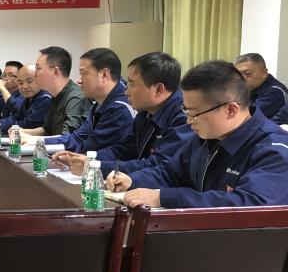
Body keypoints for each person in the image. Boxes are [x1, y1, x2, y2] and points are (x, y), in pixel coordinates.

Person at [108, 61, 288, 208]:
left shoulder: (275, 150)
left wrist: (164, 197)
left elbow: (250, 204)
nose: (189, 121)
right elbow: (170, 173)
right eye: (186, 112)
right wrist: (132, 180)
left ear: (231, 110)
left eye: (195, 114)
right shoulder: (206, 138)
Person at [52, 52, 191, 176]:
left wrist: (95, 166)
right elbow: (124, 150)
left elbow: (158, 166)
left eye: (132, 84)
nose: (126, 92)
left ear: (159, 89)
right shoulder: (145, 113)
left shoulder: (183, 119)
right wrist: (86, 159)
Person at [21, 48, 133, 151]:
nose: (79, 80)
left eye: (83, 73)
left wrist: (69, 156)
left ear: (104, 74)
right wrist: (39, 141)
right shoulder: (98, 104)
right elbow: (78, 137)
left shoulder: (119, 107)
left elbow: (92, 147)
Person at [16, 46, 91, 137]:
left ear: (55, 72)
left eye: (38, 68)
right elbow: (46, 130)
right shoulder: (55, 96)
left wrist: (34, 140)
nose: (35, 74)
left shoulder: (76, 98)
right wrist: (21, 132)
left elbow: (67, 138)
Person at [0, 63, 52, 132]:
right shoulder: (28, 98)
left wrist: (2, 125)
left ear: (40, 79)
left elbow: (30, 124)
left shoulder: (45, 98)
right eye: (20, 83)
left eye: (29, 81)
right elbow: (17, 117)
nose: (24, 86)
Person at [234, 53, 288, 119]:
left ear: (264, 73)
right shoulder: (248, 89)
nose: (241, 78)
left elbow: (245, 118)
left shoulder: (275, 92)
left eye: (247, 74)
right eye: (238, 74)